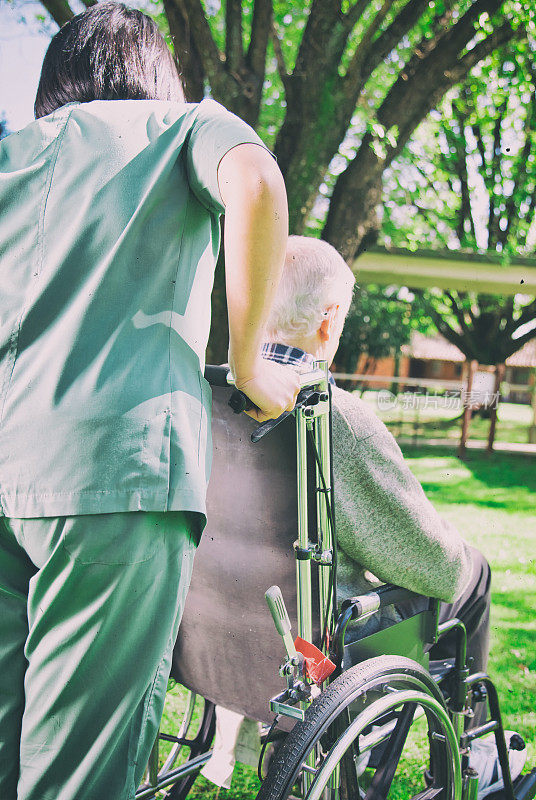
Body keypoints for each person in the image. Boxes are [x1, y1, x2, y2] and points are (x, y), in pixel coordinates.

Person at [0, 4, 301, 799]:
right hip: (113, 472)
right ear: (154, 70)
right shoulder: (183, 126)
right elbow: (257, 180)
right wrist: (250, 363)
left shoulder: (10, 147)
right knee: (80, 772)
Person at [201, 235, 526, 797]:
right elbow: (436, 567)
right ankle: (470, 757)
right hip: (315, 651)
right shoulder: (336, 418)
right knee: (472, 574)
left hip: (212, 625)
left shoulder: (202, 392)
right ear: (329, 322)